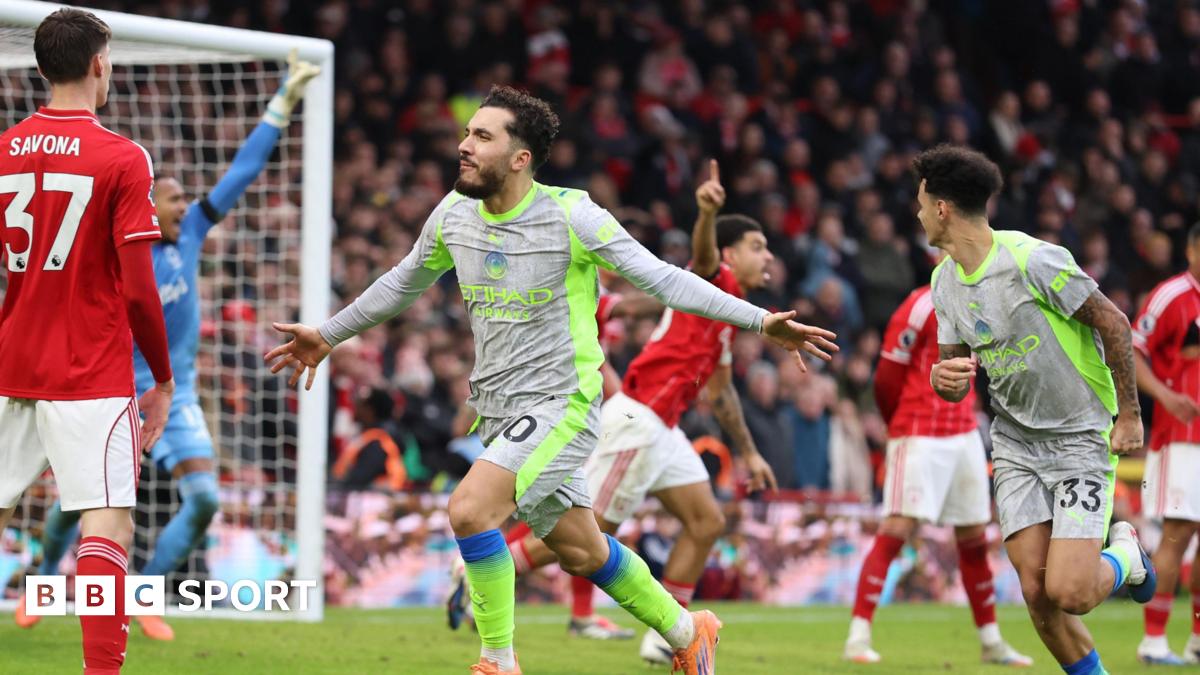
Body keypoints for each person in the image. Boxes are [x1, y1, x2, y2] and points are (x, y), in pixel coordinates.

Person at [264, 85, 837, 674]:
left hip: (562, 402)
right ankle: (690, 632)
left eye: (481, 137)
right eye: (468, 133)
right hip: (499, 410)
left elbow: (664, 280)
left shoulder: (571, 214)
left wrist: (762, 321)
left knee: (469, 510)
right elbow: (404, 280)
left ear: (520, 159)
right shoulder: (455, 214)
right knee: (581, 548)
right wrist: (329, 334)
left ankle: (497, 662)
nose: (464, 145)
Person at [14, 51, 320, 641]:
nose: (187, 205)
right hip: (107, 389)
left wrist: (284, 101)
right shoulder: (117, 245)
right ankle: (45, 580)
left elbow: (241, 173)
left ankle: (142, 593)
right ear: (150, 204)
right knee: (76, 507)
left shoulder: (195, 233)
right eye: (175, 198)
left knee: (204, 498)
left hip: (173, 395)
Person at [478, 160, 785, 665]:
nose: (767, 255)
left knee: (706, 523)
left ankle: (669, 639)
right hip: (637, 419)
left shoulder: (725, 316)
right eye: (758, 246)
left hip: (665, 429)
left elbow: (724, 393)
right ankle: (484, 577)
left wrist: (748, 454)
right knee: (585, 535)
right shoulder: (717, 278)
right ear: (732, 254)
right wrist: (706, 214)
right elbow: (702, 258)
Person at [919, 143, 1155, 675]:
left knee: (1070, 591)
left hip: (1078, 437)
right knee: (1036, 592)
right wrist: (943, 379)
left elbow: (1114, 324)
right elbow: (954, 374)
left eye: (920, 202)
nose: (917, 214)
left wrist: (1131, 414)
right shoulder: (943, 281)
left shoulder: (1032, 259)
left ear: (942, 209)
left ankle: (1127, 557)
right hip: (1016, 442)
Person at [0, 9, 175, 674]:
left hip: (11, 358)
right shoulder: (122, 157)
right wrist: (160, 378)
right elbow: (138, 290)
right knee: (105, 521)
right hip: (89, 371)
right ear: (99, 63)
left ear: (41, 68)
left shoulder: (4, 149)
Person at [843, 282, 1031, 666]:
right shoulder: (917, 305)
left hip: (964, 434)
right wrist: (898, 421)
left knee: (975, 539)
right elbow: (886, 378)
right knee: (895, 531)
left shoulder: (983, 300)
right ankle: (857, 637)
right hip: (917, 432)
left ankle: (991, 641)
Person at [1131, 222, 1200, 664]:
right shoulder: (1171, 295)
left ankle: (1196, 640)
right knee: (1176, 536)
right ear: (1193, 248)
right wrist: (1165, 395)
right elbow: (1131, 348)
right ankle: (1153, 640)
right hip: (1182, 438)